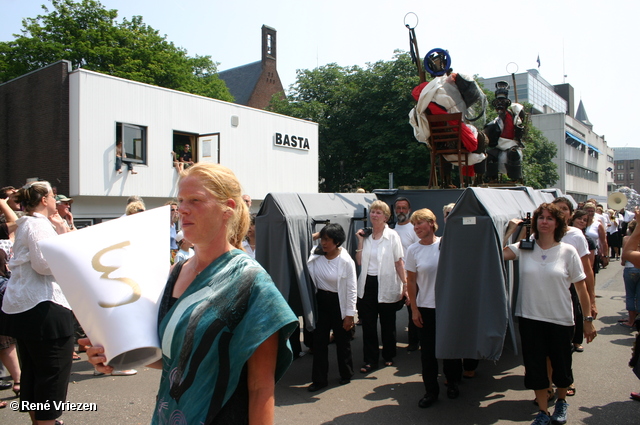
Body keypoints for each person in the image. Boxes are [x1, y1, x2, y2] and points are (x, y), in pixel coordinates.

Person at [83, 163, 298, 424]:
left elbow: (260, 388)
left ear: (227, 208)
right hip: (167, 415)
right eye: (181, 200)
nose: (182, 209)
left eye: (195, 200)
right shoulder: (175, 273)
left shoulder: (251, 282)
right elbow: (175, 361)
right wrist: (113, 353)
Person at [503, 203, 596, 425]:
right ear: (535, 222)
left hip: (560, 319)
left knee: (561, 365)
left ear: (558, 223)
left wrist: (588, 321)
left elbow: (580, 288)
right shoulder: (524, 247)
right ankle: (543, 412)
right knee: (535, 366)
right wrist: (510, 232)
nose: (544, 221)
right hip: (530, 318)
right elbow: (498, 255)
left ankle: (562, 402)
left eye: (550, 218)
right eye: (541, 218)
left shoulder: (567, 251)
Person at [1, 181, 74, 425]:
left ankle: (41, 422)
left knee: (35, 373)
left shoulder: (28, 224)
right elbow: (44, 264)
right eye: (54, 196)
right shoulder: (38, 225)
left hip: (28, 306)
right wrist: (66, 241)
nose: (56, 201)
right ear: (44, 199)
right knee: (52, 375)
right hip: (43, 305)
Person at [405, 208, 462, 408]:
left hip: (448, 307)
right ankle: (431, 391)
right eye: (414, 225)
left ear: (431, 223)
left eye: (419, 223)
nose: (416, 228)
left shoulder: (446, 244)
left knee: (450, 349)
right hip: (426, 307)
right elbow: (411, 281)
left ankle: (453, 382)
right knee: (427, 353)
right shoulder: (413, 250)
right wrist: (414, 309)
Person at [355, 200, 407, 373]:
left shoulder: (392, 236)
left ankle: (388, 354)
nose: (374, 215)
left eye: (379, 212)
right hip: (368, 283)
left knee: (387, 323)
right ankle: (370, 360)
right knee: (368, 324)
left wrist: (405, 285)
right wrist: (361, 241)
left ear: (385, 217)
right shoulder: (366, 235)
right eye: (373, 212)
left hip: (387, 282)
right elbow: (360, 261)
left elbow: (399, 262)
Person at [306, 223, 357, 391]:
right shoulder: (316, 253)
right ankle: (319, 380)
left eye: (327, 240)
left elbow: (351, 289)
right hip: (321, 301)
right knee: (319, 342)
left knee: (343, 341)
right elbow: (301, 241)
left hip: (338, 303)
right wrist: (317, 234)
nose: (323, 243)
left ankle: (346, 373)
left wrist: (350, 315)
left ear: (337, 241)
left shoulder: (345, 261)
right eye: (322, 239)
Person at [392, 197, 419, 352]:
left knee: (412, 309)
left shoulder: (414, 229)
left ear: (409, 210)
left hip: (411, 276)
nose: (401, 211)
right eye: (398, 208)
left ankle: (414, 343)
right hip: (394, 276)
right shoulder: (393, 229)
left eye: (404, 208)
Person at [621, 218, 640, 328]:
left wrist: (623, 262)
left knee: (630, 295)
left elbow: (625, 255)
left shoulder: (627, 238)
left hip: (630, 267)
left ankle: (631, 320)